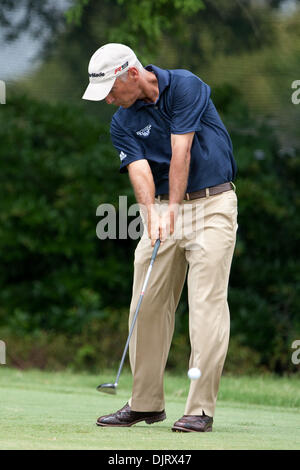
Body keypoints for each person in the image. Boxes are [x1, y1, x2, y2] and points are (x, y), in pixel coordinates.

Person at [82, 43, 238, 432]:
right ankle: (145, 402)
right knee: (145, 302)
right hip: (166, 207)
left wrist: (173, 210)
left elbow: (179, 150)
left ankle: (200, 409)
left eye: (111, 90)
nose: (109, 100)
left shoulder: (186, 86)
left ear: (132, 74)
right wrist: (152, 214)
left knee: (205, 305)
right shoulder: (121, 121)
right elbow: (139, 170)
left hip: (212, 204)